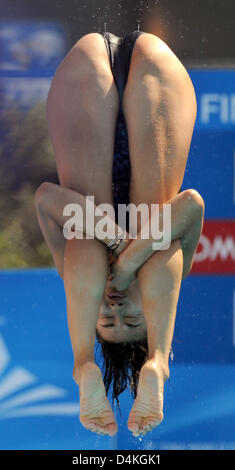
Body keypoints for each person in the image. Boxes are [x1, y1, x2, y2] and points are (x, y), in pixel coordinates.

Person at [35, 30, 204, 437]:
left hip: (85, 77)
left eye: (107, 319)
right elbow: (191, 204)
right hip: (156, 75)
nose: (114, 307)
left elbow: (45, 198)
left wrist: (110, 241)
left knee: (84, 238)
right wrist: (130, 263)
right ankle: (157, 361)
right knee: (158, 240)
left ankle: (83, 364)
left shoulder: (73, 265)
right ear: (153, 314)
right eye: (131, 317)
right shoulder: (172, 271)